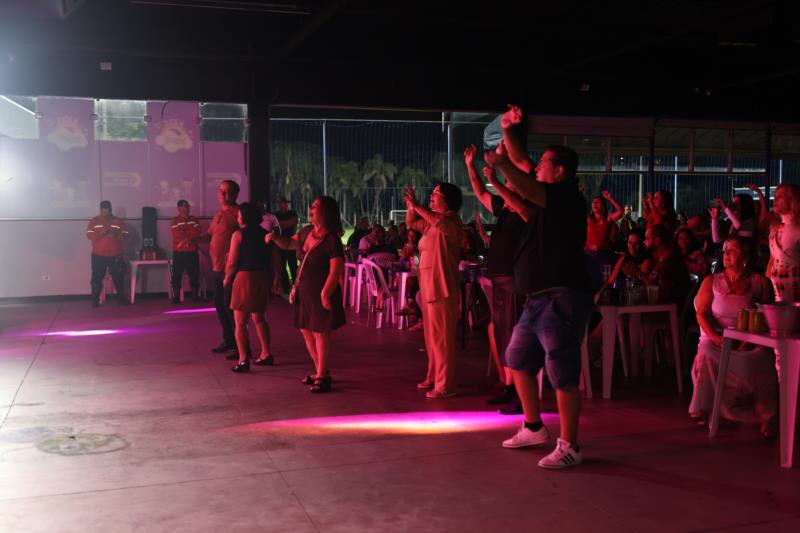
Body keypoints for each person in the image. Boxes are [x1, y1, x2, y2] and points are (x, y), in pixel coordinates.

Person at [485, 112, 593, 469]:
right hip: (537, 298)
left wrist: (501, 165)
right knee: (517, 359)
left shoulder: (566, 196)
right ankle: (533, 427)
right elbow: (521, 177)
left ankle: (570, 445)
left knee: (562, 372)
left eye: (544, 162)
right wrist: (507, 129)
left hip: (562, 295)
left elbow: (522, 178)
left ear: (560, 170)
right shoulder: (547, 204)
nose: (537, 166)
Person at [690, 236, 776, 437]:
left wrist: (749, 339)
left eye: (733, 250)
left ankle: (765, 415)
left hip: (749, 339)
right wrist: (715, 337)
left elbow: (767, 316)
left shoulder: (760, 282)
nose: (726, 254)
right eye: (725, 250)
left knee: (763, 357)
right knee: (707, 353)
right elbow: (701, 313)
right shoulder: (712, 280)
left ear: (746, 255)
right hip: (716, 338)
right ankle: (706, 407)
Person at [464, 143, 525, 414]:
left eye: (510, 184)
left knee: (511, 335)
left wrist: (498, 176)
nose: (505, 187)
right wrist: (470, 165)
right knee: (501, 334)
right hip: (499, 279)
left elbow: (497, 189)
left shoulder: (523, 212)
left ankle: (519, 393)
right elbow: (480, 192)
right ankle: (510, 386)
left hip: (512, 279)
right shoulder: (505, 210)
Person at [267, 196, 345, 393]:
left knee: (320, 333)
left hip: (320, 293)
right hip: (304, 291)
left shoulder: (332, 240)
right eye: (312, 205)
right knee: (306, 330)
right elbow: (288, 244)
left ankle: (322, 376)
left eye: (316, 206)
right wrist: (275, 238)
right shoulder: (306, 232)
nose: (311, 208)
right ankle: (321, 371)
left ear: (326, 212)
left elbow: (336, 270)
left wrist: (325, 294)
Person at [404, 182, 464, 399]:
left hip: (442, 285)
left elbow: (439, 222)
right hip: (429, 286)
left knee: (442, 338)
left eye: (437, 193)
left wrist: (418, 205)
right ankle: (433, 375)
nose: (432, 195)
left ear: (448, 199)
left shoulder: (451, 221)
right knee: (431, 338)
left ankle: (445, 384)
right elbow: (411, 222)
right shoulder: (431, 223)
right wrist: (411, 206)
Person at [225, 202, 281, 373]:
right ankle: (266, 353)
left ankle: (243, 359)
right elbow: (276, 256)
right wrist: (278, 277)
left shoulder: (238, 235)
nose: (238, 217)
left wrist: (227, 278)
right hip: (262, 276)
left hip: (245, 277)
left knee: (240, 322)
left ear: (244, 217)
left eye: (239, 215)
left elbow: (232, 261)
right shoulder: (266, 234)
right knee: (260, 318)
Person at [196, 180, 240, 357]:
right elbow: (209, 236)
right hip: (217, 268)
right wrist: (194, 240)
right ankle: (229, 340)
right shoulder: (218, 214)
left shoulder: (238, 214)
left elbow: (244, 237)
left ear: (235, 194)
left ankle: (240, 345)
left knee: (231, 308)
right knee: (220, 306)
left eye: (226, 191)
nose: (222, 194)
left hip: (230, 269)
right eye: (221, 190)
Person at [86, 200, 129, 307]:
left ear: (111, 209)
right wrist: (100, 234)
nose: (106, 213)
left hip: (115, 255)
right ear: (100, 210)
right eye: (104, 212)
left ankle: (121, 300)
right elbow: (88, 234)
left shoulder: (118, 221)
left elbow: (125, 234)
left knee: (118, 277)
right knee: (96, 278)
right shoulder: (94, 221)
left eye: (108, 211)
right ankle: (95, 301)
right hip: (98, 255)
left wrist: (116, 235)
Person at [767, 183, 800, 303]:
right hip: (778, 296)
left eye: (780, 196)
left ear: (793, 200)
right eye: (775, 196)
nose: (775, 199)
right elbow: (772, 261)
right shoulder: (774, 229)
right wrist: (766, 288)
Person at [170, 199, 203, 303]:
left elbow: (198, 231)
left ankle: (195, 297)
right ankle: (176, 297)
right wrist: (189, 235)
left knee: (194, 274)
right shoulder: (175, 220)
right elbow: (176, 235)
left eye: (188, 206)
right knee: (177, 274)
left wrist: (185, 237)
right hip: (179, 252)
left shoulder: (194, 219)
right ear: (179, 208)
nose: (188, 207)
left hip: (192, 251)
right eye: (185, 206)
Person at [585, 191, 623, 265]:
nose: (595, 203)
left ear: (604, 206)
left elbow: (621, 211)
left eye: (597, 202)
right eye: (593, 202)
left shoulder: (608, 219)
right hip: (589, 254)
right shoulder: (588, 218)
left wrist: (610, 198)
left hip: (604, 254)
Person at [274, 197, 299, 293]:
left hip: (291, 243)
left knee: (293, 266)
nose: (284, 205)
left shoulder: (292, 213)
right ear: (279, 204)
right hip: (280, 244)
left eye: (285, 203)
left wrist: (280, 224)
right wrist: (286, 223)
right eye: (282, 203)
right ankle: (286, 288)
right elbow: (276, 226)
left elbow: (293, 222)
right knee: (282, 267)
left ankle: (296, 287)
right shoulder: (276, 215)